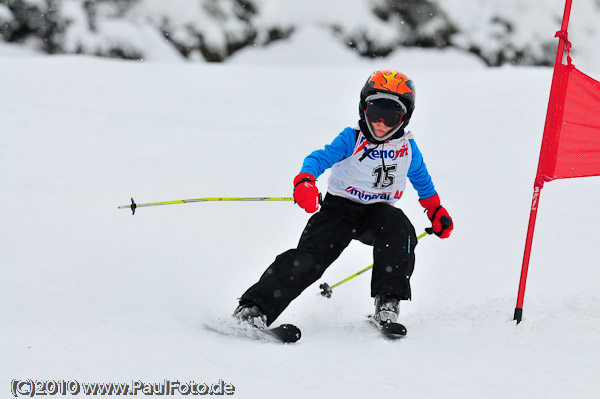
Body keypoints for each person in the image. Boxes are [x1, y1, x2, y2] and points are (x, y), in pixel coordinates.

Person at [234, 70, 453, 329]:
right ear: (363, 109)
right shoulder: (353, 138)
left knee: (400, 228)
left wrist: (435, 210)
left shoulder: (407, 148)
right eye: (375, 113)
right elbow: (319, 158)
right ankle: (255, 307)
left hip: (378, 214)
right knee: (309, 259)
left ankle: (388, 301)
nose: (381, 123)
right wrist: (305, 181)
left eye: (392, 116)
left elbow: (422, 180)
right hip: (338, 211)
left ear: (404, 118)